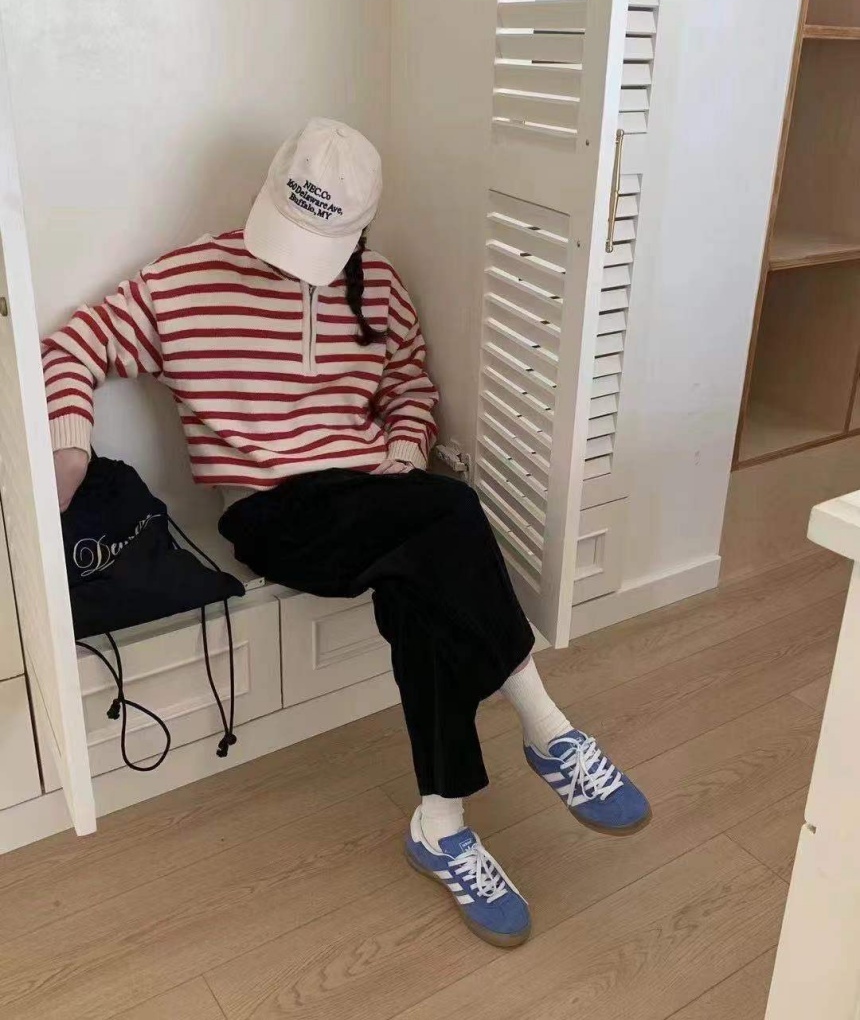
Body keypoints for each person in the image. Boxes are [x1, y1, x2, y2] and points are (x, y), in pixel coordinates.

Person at [43, 118, 650, 948]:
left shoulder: (381, 285)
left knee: (420, 586)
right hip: (271, 508)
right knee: (450, 513)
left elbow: (410, 386)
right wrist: (70, 446)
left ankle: (441, 822)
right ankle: (547, 727)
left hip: (373, 495)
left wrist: (403, 451)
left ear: (358, 229)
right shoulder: (181, 281)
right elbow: (69, 345)